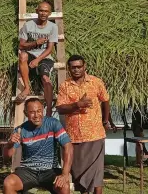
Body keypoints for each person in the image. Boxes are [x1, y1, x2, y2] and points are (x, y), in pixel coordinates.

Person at [56, 55, 110, 194]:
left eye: (79, 66)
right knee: (79, 175)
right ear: (69, 69)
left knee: (96, 175)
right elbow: (60, 108)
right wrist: (77, 105)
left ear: (84, 66)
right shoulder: (65, 86)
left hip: (95, 135)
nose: (76, 70)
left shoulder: (96, 82)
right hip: (74, 137)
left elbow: (105, 100)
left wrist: (105, 121)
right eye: (73, 67)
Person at [3, 98, 73, 194]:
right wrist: (9, 144)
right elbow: (7, 156)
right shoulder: (20, 130)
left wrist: (65, 174)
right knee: (9, 183)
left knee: (64, 186)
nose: (36, 115)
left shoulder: (53, 123)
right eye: (32, 112)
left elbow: (68, 147)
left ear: (43, 110)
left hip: (50, 170)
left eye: (39, 111)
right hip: (28, 170)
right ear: (26, 113)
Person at [16, 1, 59, 117]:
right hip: (30, 54)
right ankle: (27, 88)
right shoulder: (28, 25)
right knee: (22, 55)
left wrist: (37, 60)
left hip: (44, 57)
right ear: (36, 11)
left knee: (46, 79)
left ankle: (49, 111)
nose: (43, 13)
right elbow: (21, 46)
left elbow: (50, 49)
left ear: (49, 13)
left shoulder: (53, 27)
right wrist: (35, 42)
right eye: (41, 10)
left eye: (46, 11)